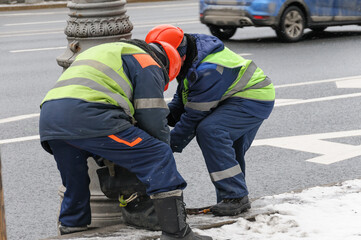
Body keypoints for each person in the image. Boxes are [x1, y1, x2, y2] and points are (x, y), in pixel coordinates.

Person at [39, 39, 212, 240]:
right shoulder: (147, 62)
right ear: (165, 65)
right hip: (91, 117)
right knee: (158, 155)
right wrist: (161, 149)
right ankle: (177, 233)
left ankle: (72, 229)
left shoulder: (105, 52)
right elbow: (152, 116)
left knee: (74, 178)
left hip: (50, 119)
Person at [145, 25, 275, 217]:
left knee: (211, 131)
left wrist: (167, 146)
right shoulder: (193, 52)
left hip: (252, 98)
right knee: (228, 151)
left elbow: (192, 118)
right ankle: (233, 199)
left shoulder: (209, 70)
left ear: (177, 54)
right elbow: (184, 99)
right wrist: (157, 118)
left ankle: (235, 196)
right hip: (233, 96)